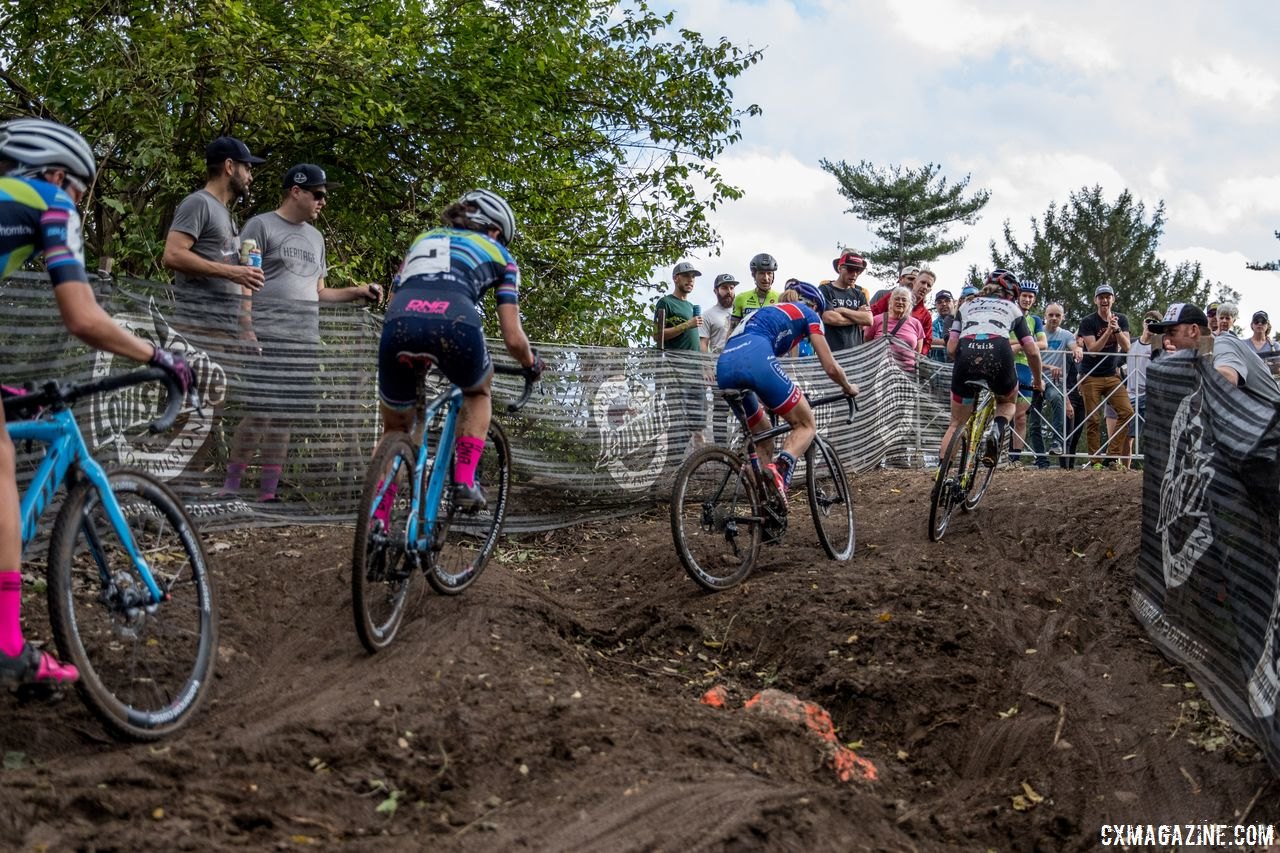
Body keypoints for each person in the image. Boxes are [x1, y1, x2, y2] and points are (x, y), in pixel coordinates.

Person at [0, 118, 192, 685]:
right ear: (59, 174)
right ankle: (8, 641)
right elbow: (83, 317)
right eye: (81, 192)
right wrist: (157, 356)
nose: (77, 204)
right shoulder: (50, 200)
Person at [219, 164, 381, 502]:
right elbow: (246, 279)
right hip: (267, 334)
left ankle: (268, 495)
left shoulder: (316, 237)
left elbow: (318, 293)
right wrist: (246, 327)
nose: (323, 202)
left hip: (304, 340)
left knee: (285, 416)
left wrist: (357, 291)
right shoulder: (259, 225)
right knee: (259, 411)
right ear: (296, 191)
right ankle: (230, 489)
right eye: (318, 195)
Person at [377, 190, 542, 509]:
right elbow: (512, 337)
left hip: (399, 322)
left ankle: (377, 519)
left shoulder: (422, 241)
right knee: (478, 393)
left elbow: (394, 301)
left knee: (395, 428)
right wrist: (531, 363)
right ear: (495, 231)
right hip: (456, 323)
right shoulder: (501, 255)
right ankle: (465, 479)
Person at [716, 282, 858, 495]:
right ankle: (782, 467)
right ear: (816, 306)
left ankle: (763, 505)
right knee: (806, 424)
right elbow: (830, 366)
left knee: (763, 436)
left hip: (725, 366)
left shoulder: (766, 312)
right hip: (755, 359)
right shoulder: (810, 314)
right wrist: (847, 386)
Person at [162, 136, 268, 334]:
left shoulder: (227, 214)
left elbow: (230, 267)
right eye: (247, 168)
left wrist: (246, 328)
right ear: (229, 166)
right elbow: (172, 255)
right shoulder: (198, 203)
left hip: (227, 329)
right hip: (199, 327)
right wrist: (232, 272)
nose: (250, 177)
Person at [939, 269, 1043, 470]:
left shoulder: (967, 305)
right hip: (999, 354)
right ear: (1012, 292)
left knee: (955, 424)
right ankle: (996, 431)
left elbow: (951, 348)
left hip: (966, 354)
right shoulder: (1013, 308)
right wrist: (1037, 381)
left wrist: (968, 358)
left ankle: (940, 477)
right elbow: (1031, 350)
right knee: (1006, 404)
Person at [1151, 303, 1273, 392]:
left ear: (1194, 330)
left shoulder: (1222, 344)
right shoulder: (1202, 355)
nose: (1167, 339)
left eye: (1172, 332)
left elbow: (1228, 379)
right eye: (1165, 334)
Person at [1077, 284, 1134, 469]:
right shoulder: (1088, 321)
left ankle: (1111, 457)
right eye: (1101, 297)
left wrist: (1116, 329)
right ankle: (1095, 461)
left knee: (1127, 412)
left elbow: (1127, 347)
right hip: (1090, 375)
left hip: (1112, 375)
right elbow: (1093, 351)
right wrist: (1108, 331)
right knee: (1093, 419)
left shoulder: (1121, 319)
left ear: (1113, 299)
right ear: (1095, 300)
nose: (1105, 300)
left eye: (1108, 296)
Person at [1008, 280, 1048, 467]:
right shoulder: (1008, 314)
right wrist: (1024, 345)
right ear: (1018, 296)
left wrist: (1018, 345)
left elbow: (1043, 343)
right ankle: (997, 454)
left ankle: (1015, 458)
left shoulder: (1035, 320)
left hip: (1026, 367)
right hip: (1007, 364)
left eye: (1031, 297)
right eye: (1024, 295)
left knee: (1021, 416)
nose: (1027, 299)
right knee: (1002, 413)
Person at [1042, 302, 1081, 467]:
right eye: (1051, 315)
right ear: (1045, 316)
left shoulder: (1065, 335)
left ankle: (1057, 443)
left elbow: (1074, 345)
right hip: (1035, 378)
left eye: (1057, 315)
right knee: (1030, 419)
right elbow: (1028, 358)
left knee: (1058, 398)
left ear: (1062, 318)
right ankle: (1020, 457)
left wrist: (1077, 350)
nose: (1054, 318)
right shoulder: (1038, 333)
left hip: (1053, 383)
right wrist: (1048, 367)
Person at [869, 268, 933, 355]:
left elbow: (927, 341)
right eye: (923, 282)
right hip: (881, 359)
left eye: (929, 285)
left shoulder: (926, 315)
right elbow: (872, 315)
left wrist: (917, 358)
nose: (925, 287)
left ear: (930, 290)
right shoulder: (893, 296)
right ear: (915, 282)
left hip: (907, 363)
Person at [819, 251, 872, 351]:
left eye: (858, 270)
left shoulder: (860, 294)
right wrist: (857, 316)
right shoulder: (825, 289)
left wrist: (843, 310)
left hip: (855, 355)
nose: (854, 274)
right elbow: (829, 318)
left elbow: (868, 320)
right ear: (840, 268)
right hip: (830, 354)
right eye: (850, 269)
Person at [866, 285, 925, 371]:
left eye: (904, 300)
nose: (900, 302)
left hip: (907, 372)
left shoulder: (916, 324)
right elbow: (867, 340)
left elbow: (917, 352)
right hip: (880, 371)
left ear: (909, 304)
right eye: (897, 299)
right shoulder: (876, 320)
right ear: (890, 302)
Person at [654, 261, 706, 352]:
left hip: (696, 363)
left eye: (693, 276)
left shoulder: (691, 306)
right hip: (675, 364)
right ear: (675, 278)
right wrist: (687, 324)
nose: (690, 279)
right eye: (686, 275)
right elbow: (656, 335)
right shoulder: (665, 302)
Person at [729, 253, 780, 332]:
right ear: (753, 275)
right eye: (761, 273)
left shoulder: (781, 299)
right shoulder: (741, 298)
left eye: (769, 273)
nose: (766, 278)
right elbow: (732, 331)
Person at [701, 273, 737, 354]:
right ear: (715, 291)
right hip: (717, 363)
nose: (729, 291)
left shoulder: (741, 312)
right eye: (724, 288)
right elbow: (703, 344)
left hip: (740, 362)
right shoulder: (707, 315)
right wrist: (707, 365)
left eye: (731, 288)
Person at [929, 289, 955, 362]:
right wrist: (955, 342)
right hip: (939, 370)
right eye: (939, 302)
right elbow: (931, 340)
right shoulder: (933, 325)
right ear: (936, 306)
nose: (943, 304)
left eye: (947, 300)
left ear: (954, 302)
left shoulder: (963, 321)